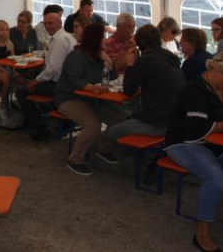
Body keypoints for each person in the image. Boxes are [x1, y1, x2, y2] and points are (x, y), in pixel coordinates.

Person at [164, 52, 223, 252]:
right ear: (216, 72)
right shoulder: (194, 91)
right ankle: (202, 233)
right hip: (185, 143)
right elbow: (198, 129)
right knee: (215, 177)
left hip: (216, 143)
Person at [101, 24, 185, 163]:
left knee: (112, 131)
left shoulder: (147, 59)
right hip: (177, 120)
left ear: (140, 43)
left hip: (158, 123)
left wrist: (130, 64)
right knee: (129, 117)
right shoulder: (169, 59)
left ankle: (143, 155)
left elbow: (129, 90)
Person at [54, 24, 124, 174]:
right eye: (102, 37)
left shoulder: (99, 57)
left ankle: (102, 147)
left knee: (120, 120)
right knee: (93, 125)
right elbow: (73, 80)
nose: (106, 40)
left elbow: (111, 78)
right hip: (69, 98)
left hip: (93, 99)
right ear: (95, 39)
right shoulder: (76, 56)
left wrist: (109, 61)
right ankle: (75, 159)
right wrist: (92, 88)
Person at [15, 12, 76, 137]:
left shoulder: (59, 40)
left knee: (21, 92)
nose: (47, 26)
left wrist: (37, 80)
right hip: (67, 83)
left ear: (60, 23)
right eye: (45, 24)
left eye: (50, 23)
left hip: (58, 85)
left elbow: (53, 68)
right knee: (31, 81)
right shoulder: (67, 37)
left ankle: (39, 126)